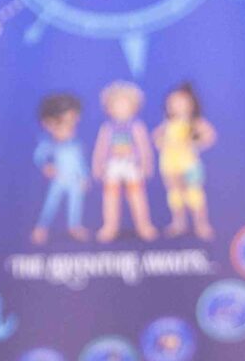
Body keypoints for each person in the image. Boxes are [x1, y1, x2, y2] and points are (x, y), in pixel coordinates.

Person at [91, 79, 156, 244]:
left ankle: (143, 225)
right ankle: (110, 226)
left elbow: (143, 147)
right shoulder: (107, 128)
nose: (121, 109)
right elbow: (101, 148)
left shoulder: (136, 126)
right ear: (109, 108)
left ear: (134, 107)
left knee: (137, 195)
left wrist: (146, 163)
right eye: (116, 105)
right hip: (113, 166)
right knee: (111, 196)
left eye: (125, 104)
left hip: (131, 165)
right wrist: (97, 165)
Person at [154, 80, 217, 241]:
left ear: (191, 104)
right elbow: (156, 138)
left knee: (194, 193)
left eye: (181, 102)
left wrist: (194, 143)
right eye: (173, 103)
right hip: (170, 164)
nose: (177, 106)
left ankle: (201, 225)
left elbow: (209, 136)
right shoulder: (168, 123)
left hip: (189, 164)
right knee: (175, 193)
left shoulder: (194, 122)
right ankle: (178, 223)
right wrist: (163, 143)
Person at [30, 92, 89, 245]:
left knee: (76, 203)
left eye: (73, 123)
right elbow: (39, 156)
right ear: (49, 124)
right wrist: (45, 166)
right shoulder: (49, 144)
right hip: (59, 179)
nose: (70, 128)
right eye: (65, 123)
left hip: (74, 180)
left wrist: (84, 177)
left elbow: (80, 163)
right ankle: (41, 228)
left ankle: (74, 226)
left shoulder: (76, 144)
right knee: (51, 203)